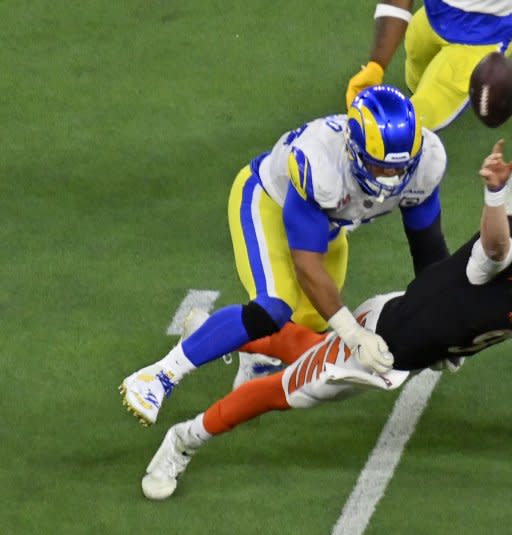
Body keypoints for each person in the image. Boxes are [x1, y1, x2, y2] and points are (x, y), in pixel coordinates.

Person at [138, 139, 512, 500]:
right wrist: (496, 193)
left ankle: (216, 335)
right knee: (283, 393)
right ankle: (183, 439)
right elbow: (495, 246)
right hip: (385, 340)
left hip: (414, 347)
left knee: (309, 353)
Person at [120, 84, 450, 426]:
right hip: (270, 203)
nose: (391, 179)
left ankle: (235, 344)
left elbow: (428, 250)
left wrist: (444, 324)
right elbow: (306, 263)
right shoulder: (319, 163)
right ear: (354, 151)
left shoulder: (426, 164)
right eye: (380, 168)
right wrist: (353, 334)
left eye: (400, 169)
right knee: (273, 307)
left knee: (314, 322)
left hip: (327, 223)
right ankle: (159, 375)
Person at [345, 1, 512, 131]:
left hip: (484, 32)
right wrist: (376, 66)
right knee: (415, 59)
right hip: (436, 14)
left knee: (413, 121)